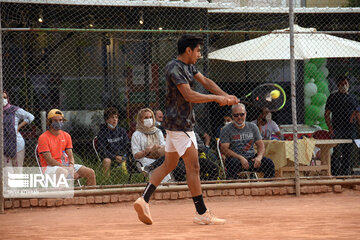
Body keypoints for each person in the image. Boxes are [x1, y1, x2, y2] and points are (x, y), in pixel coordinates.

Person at [133, 34, 238, 225]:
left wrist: (226, 96)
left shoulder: (189, 66)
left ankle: (143, 199)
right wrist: (216, 99)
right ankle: (202, 212)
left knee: (168, 165)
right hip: (181, 125)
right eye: (198, 50)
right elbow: (188, 95)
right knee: (194, 167)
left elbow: (206, 82)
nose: (200, 54)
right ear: (188, 50)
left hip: (177, 126)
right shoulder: (174, 67)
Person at [38, 109, 96, 185]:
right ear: (49, 122)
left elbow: (70, 155)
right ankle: (61, 196)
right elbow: (49, 161)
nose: (58, 122)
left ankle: (89, 196)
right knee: (63, 172)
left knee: (90, 172)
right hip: (49, 167)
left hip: (66, 166)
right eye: (55, 120)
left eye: (60, 120)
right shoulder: (43, 137)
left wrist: (71, 166)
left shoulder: (66, 136)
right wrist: (67, 169)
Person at [220, 103, 275, 179]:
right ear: (232, 116)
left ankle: (267, 188)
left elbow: (261, 145)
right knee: (232, 163)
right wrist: (240, 158)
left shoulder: (253, 127)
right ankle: (235, 188)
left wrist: (259, 157)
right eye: (236, 115)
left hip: (252, 159)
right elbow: (224, 149)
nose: (239, 117)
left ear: (245, 114)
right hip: (236, 160)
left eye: (242, 114)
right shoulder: (226, 129)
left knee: (269, 163)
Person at [325, 76, 360, 176]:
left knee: (348, 153)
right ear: (338, 85)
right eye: (342, 84)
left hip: (350, 129)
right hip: (337, 128)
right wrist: (330, 128)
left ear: (349, 85)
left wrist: (355, 116)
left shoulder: (353, 98)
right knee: (336, 152)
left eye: (346, 83)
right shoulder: (333, 97)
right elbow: (327, 114)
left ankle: (346, 174)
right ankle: (335, 174)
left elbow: (357, 112)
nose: (344, 86)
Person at [131, 108, 172, 182]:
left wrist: (156, 147)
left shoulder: (158, 131)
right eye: (146, 118)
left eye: (150, 117)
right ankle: (159, 187)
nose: (149, 119)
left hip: (158, 157)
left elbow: (163, 145)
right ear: (140, 120)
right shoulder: (136, 135)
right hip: (143, 160)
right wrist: (146, 151)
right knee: (160, 167)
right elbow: (136, 155)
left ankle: (152, 167)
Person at [3, 91, 35, 174]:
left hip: (17, 144)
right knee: (7, 171)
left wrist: (19, 127)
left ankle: (17, 187)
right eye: (1, 98)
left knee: (18, 169)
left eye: (5, 98)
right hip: (3, 145)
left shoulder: (14, 110)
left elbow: (31, 117)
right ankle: (8, 187)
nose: (3, 100)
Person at [97, 107, 129, 178]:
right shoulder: (102, 133)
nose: (115, 119)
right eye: (112, 117)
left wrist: (123, 155)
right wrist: (114, 157)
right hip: (110, 157)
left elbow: (127, 145)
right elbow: (102, 150)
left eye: (116, 117)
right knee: (106, 161)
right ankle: (106, 180)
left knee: (131, 158)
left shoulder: (122, 131)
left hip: (122, 155)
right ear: (107, 120)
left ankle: (128, 178)